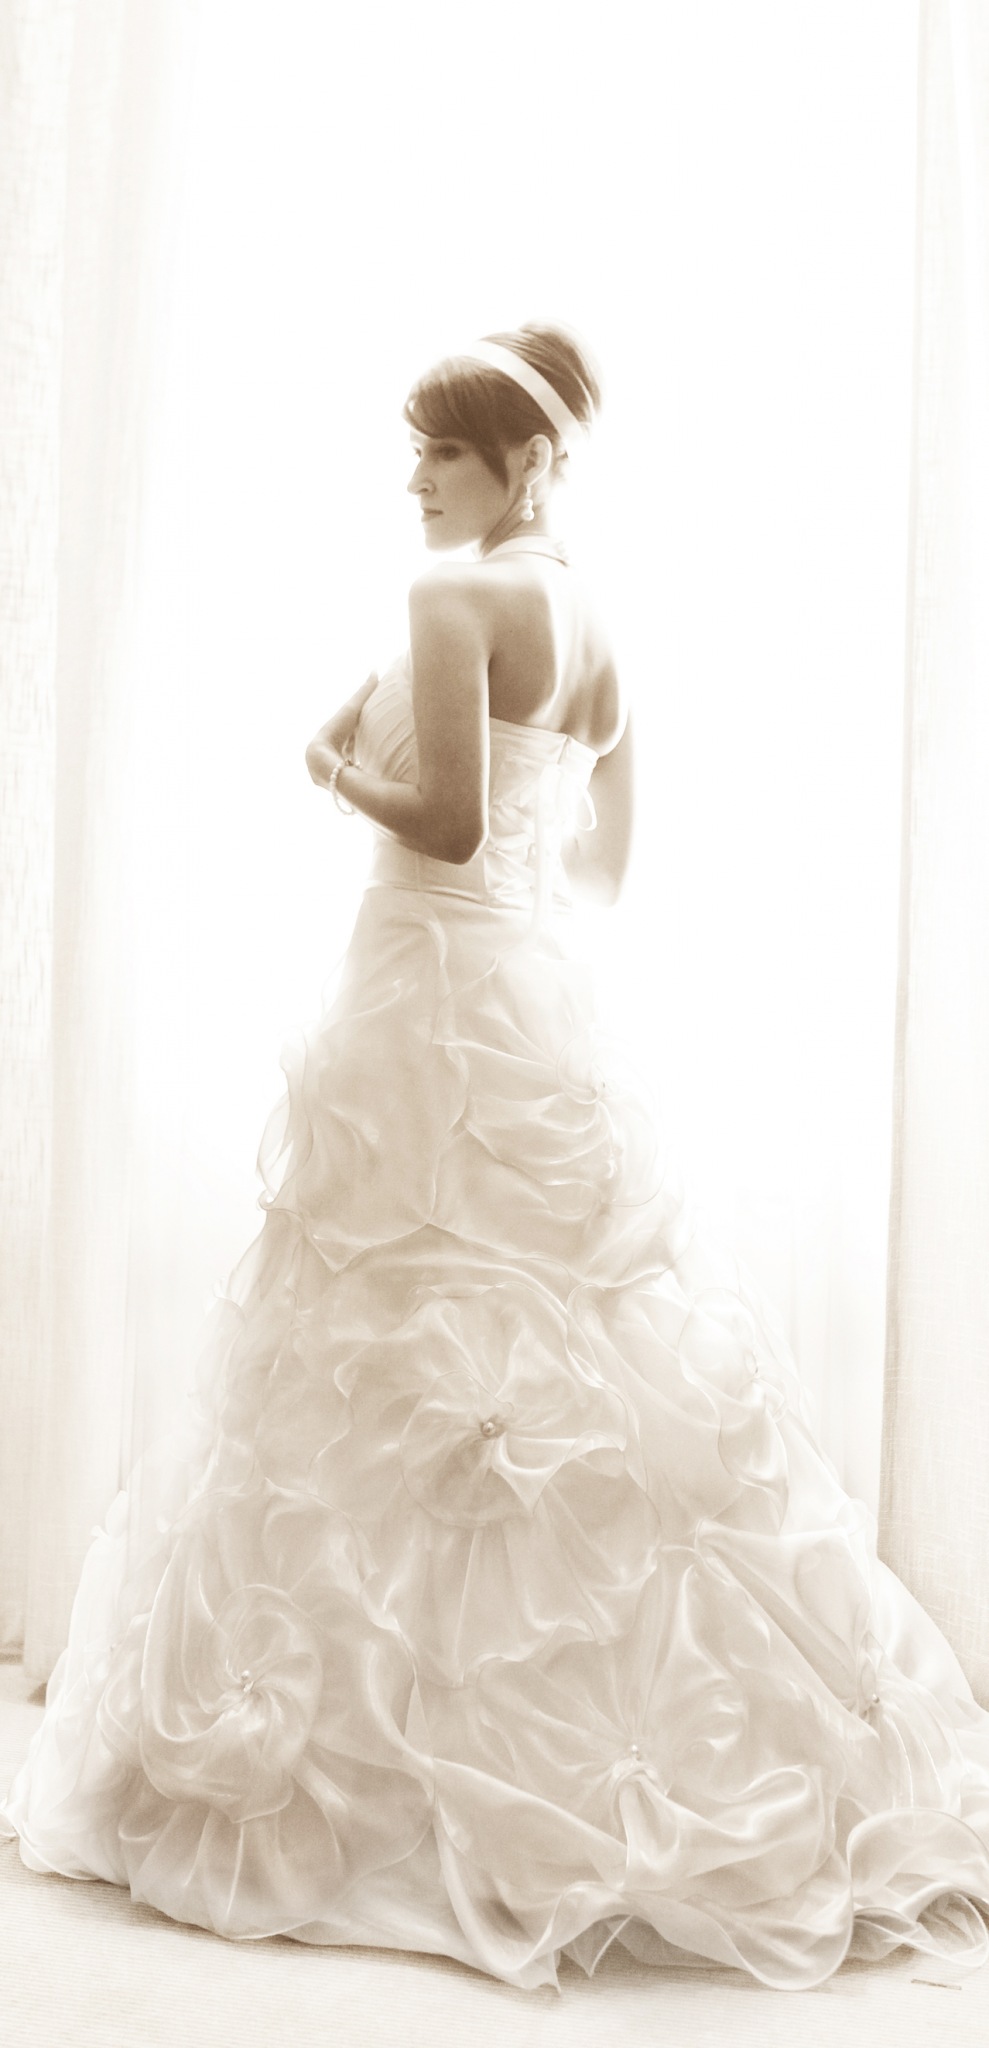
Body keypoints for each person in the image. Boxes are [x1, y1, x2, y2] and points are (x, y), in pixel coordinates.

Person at [3, 322, 989, 1995]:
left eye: (436, 456)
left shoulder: (449, 599)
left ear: (519, 462)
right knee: (562, 1363)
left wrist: (338, 766)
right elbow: (597, 871)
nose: (413, 482)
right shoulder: (597, 625)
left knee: (384, 1343)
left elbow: (446, 823)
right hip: (529, 991)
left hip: (421, 989)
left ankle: (390, 1782)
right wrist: (454, 809)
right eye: (413, 454)